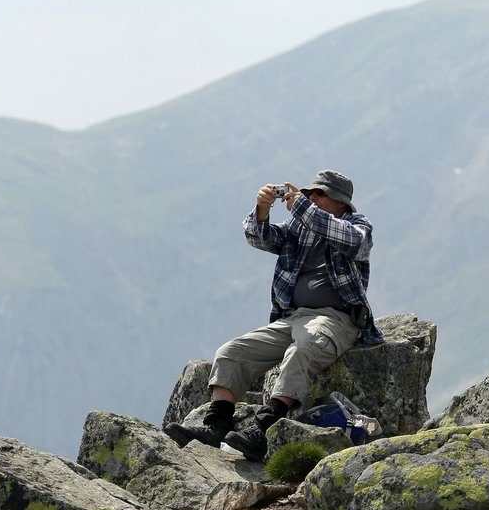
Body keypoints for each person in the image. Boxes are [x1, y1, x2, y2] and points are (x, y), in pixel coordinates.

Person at [163, 169, 384, 461]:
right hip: (291, 316)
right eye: (309, 193)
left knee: (301, 350)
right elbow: (261, 238)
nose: (311, 198)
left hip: (337, 318)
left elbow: (352, 242)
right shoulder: (300, 226)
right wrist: (262, 210)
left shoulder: (357, 225)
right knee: (232, 352)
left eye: (319, 194)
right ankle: (216, 425)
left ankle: (263, 427)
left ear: (340, 202)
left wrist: (303, 209)